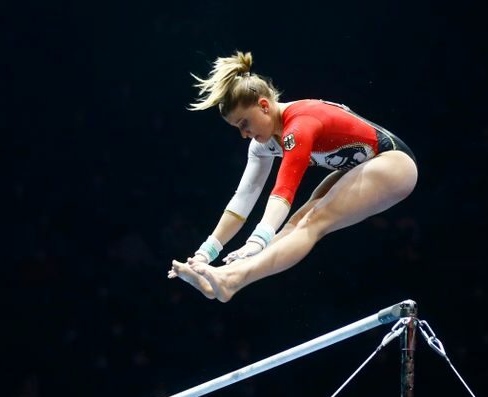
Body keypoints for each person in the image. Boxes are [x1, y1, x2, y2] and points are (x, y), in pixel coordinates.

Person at [168, 51, 418, 302]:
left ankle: (231, 281)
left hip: (394, 163)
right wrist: (206, 252)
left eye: (244, 124)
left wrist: (257, 241)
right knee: (295, 222)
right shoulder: (263, 144)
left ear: (264, 106)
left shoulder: (299, 124)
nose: (244, 134)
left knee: (314, 220)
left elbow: (283, 191)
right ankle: (224, 276)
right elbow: (243, 199)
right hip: (359, 166)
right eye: (238, 128)